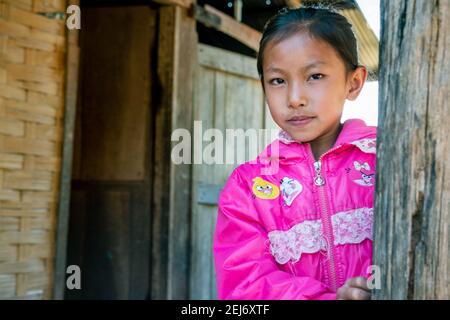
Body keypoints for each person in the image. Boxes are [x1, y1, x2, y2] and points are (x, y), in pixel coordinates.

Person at [213, 5, 376, 300]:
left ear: (353, 83)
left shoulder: (386, 163)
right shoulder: (248, 188)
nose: (295, 98)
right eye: (278, 81)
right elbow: (244, 287)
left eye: (314, 76)